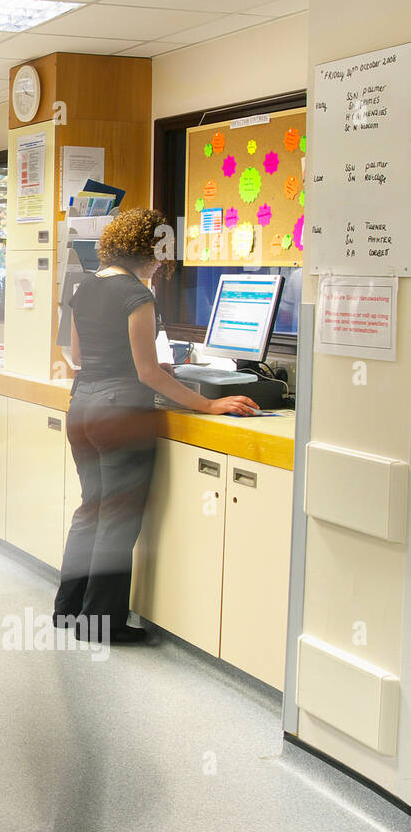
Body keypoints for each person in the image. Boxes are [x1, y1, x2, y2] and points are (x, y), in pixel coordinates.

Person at [54, 208, 258, 644]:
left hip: (83, 407)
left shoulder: (85, 286)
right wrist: (208, 404)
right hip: (122, 415)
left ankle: (68, 610)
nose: (163, 263)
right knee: (118, 519)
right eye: (161, 253)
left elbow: (79, 355)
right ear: (145, 250)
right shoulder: (136, 294)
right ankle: (101, 624)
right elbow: (148, 373)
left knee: (91, 510)